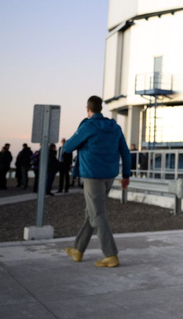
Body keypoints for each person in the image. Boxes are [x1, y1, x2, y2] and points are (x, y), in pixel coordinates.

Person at [63, 95, 131, 268]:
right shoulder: (115, 126)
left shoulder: (88, 126)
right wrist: (126, 175)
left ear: (88, 109)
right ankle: (78, 250)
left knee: (97, 214)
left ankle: (111, 255)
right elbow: (125, 150)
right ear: (101, 108)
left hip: (92, 175)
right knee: (92, 213)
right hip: (109, 176)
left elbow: (68, 147)